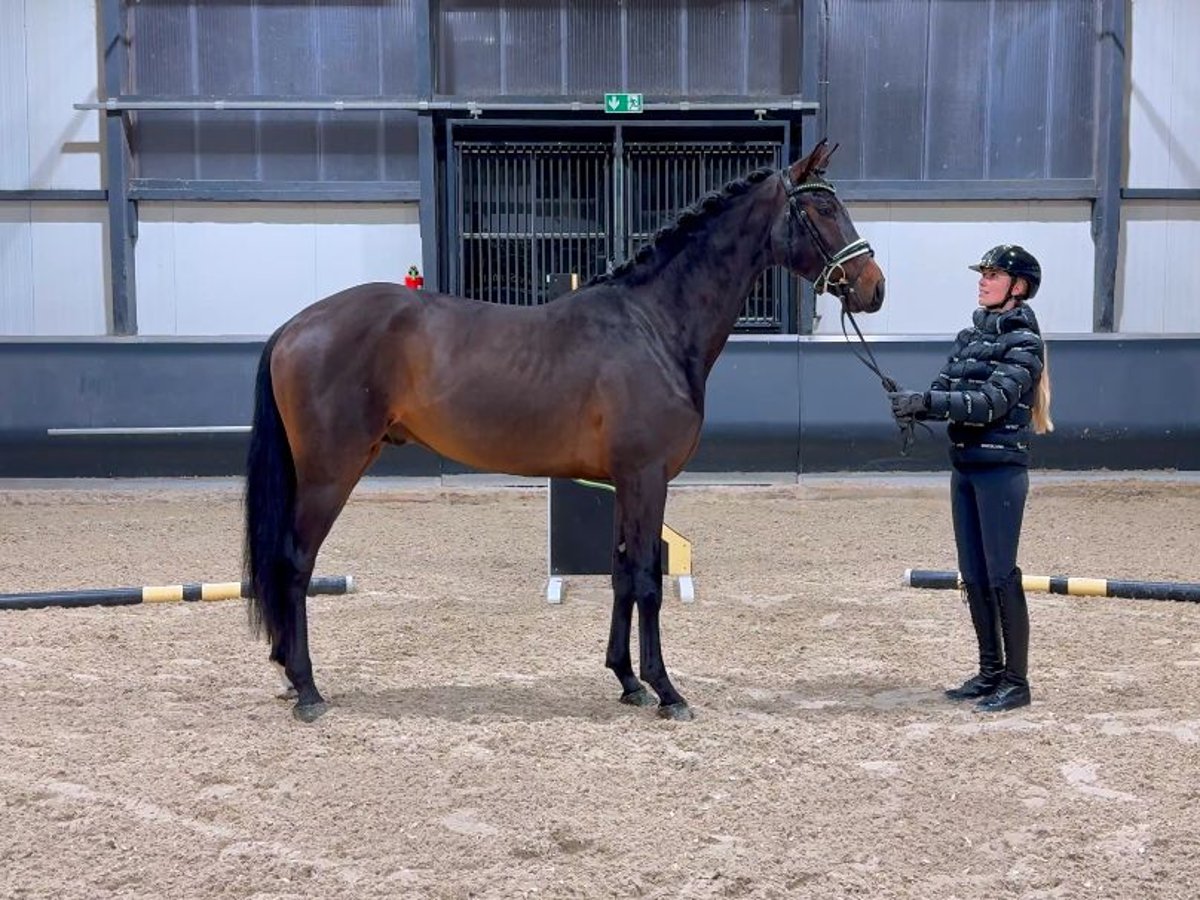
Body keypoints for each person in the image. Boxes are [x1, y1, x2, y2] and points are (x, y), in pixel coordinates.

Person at [888, 244, 1053, 713]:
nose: (982, 280)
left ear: (1017, 287)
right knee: (975, 575)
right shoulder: (969, 337)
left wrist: (929, 402)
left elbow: (989, 403)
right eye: (983, 273)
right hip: (965, 466)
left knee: (1002, 574)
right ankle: (988, 672)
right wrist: (913, 401)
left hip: (1000, 470)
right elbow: (945, 390)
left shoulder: (1024, 344)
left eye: (993, 274)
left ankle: (1016, 681)